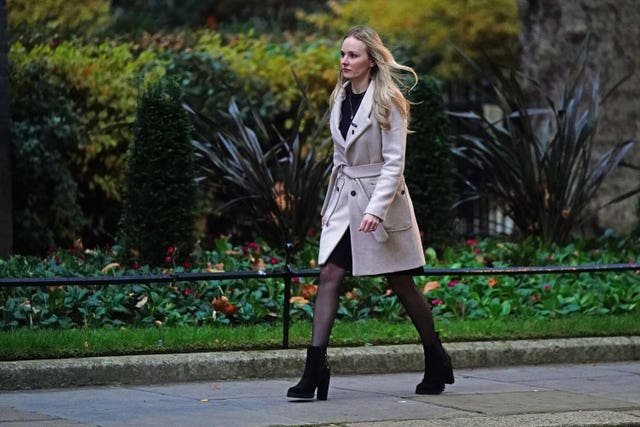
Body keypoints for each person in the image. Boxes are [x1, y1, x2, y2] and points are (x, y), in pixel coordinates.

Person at [287, 26, 454, 401]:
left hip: (381, 201)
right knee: (329, 273)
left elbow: (395, 164)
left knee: (401, 283)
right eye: (342, 54)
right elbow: (339, 159)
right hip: (346, 202)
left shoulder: (389, 100)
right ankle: (314, 369)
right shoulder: (340, 97)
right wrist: (331, 209)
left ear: (371, 60)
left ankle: (435, 356)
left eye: (353, 55)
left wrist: (376, 211)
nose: (344, 61)